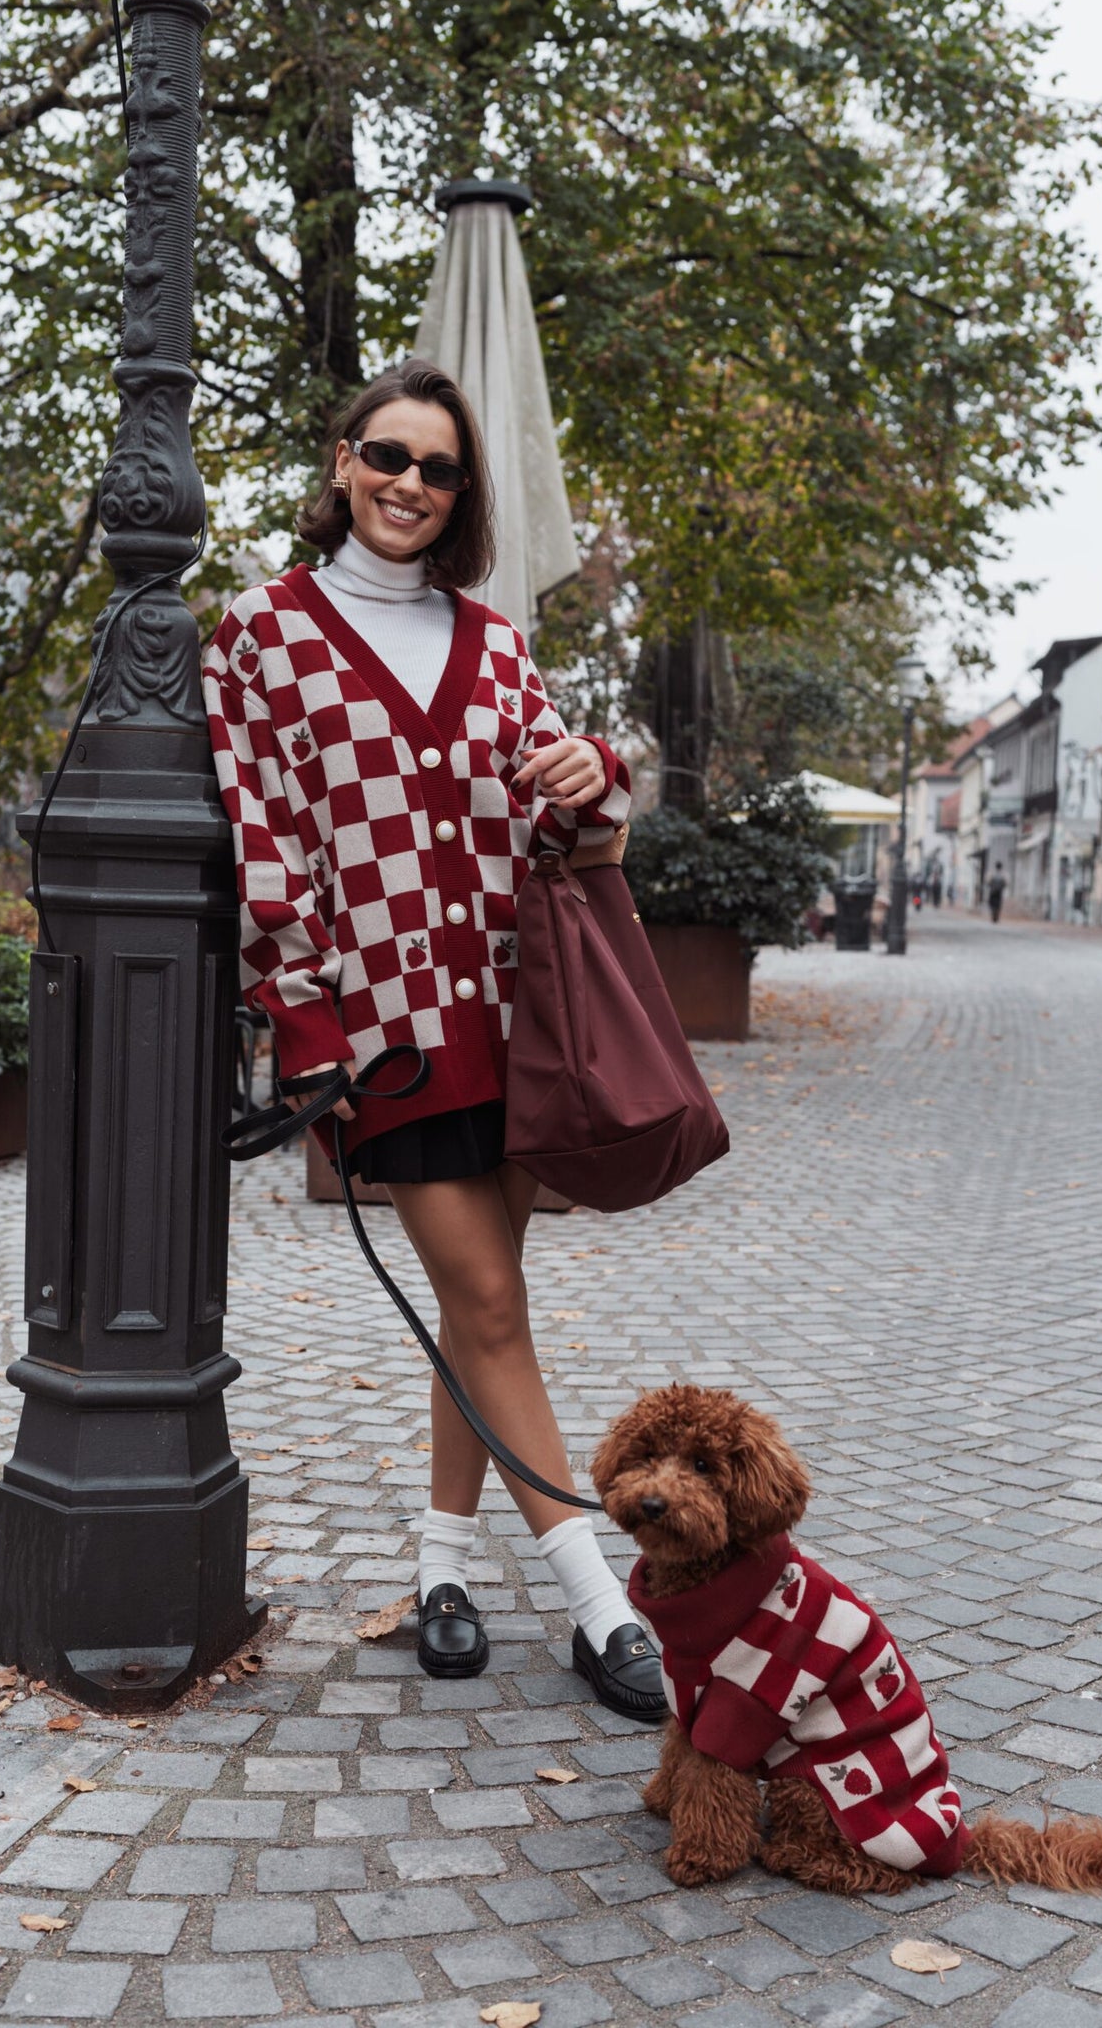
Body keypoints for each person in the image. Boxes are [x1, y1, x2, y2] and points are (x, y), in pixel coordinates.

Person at [203, 360, 665, 1721]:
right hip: (392, 1033)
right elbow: (266, 853)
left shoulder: (498, 641)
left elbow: (566, 836)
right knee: (493, 1305)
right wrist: (307, 1026)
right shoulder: (261, 635)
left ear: (460, 495)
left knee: (478, 1315)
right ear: (342, 463)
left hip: (514, 1012)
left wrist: (591, 774)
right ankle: (598, 1608)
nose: (410, 484)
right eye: (387, 456)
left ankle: (441, 1571)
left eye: (438, 468)